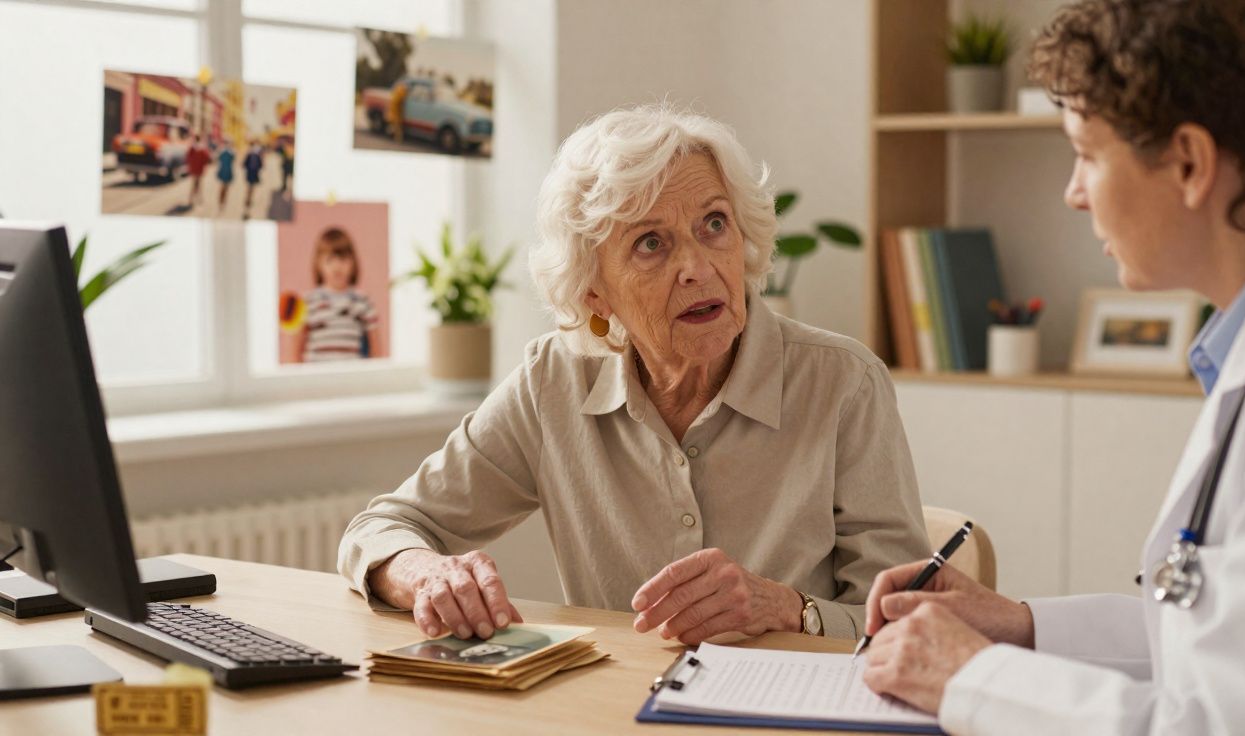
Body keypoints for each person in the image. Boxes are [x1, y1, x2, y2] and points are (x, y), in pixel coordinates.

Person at [858, 1, 1245, 733]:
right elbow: (1227, 643)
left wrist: (974, 678)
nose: (1073, 193)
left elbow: (1244, 723)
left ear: (1190, 163)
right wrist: (1020, 625)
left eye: (1087, 154)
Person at [338, 105, 930, 645]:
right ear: (595, 292)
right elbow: (386, 526)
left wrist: (787, 607)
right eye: (651, 243)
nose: (698, 268)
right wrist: (428, 575)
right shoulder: (554, 383)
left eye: (714, 224)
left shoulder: (843, 384)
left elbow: (908, 616)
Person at [291, 227, 379, 363]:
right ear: (319, 263)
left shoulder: (363, 302)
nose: (337, 266)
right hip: (316, 378)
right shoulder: (307, 301)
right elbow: (295, 352)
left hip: (350, 377)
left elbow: (376, 350)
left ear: (353, 263)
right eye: (329, 260)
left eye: (343, 260)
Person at [184, 135, 211, 209]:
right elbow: (207, 159)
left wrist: (190, 164)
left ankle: (191, 200)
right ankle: (199, 199)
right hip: (200, 169)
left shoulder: (192, 148)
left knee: (193, 184)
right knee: (199, 184)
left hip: (193, 168)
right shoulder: (203, 148)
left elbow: (187, 158)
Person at [241, 139, 263, 216]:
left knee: (249, 186)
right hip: (254, 173)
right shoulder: (257, 155)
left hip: (250, 172)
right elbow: (261, 165)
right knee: (252, 187)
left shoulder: (250, 154)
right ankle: (249, 198)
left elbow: (244, 164)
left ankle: (248, 198)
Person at [215, 139, 235, 208]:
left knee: (223, 187)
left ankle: (221, 201)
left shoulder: (222, 151)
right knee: (225, 188)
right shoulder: (231, 152)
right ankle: (223, 201)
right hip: (227, 171)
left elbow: (217, 159)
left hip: (223, 170)